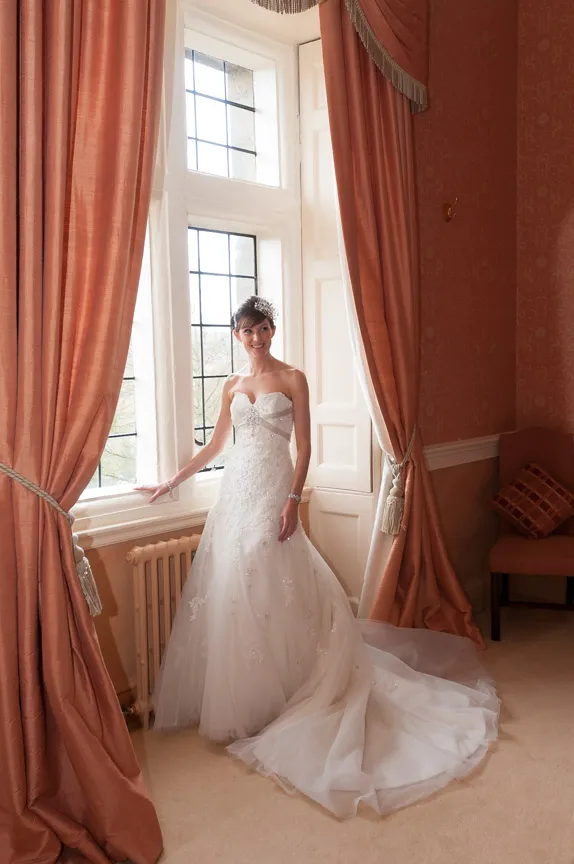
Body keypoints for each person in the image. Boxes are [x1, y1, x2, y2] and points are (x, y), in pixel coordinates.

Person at [136, 296, 498, 819]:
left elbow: (304, 448)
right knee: (237, 588)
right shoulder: (231, 386)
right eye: (247, 330)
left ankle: (296, 688)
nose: (257, 337)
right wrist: (171, 481)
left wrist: (293, 501)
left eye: (264, 327)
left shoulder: (293, 378)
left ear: (272, 329)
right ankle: (258, 700)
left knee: (270, 571)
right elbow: (218, 446)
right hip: (236, 493)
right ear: (236, 335)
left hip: (273, 491)